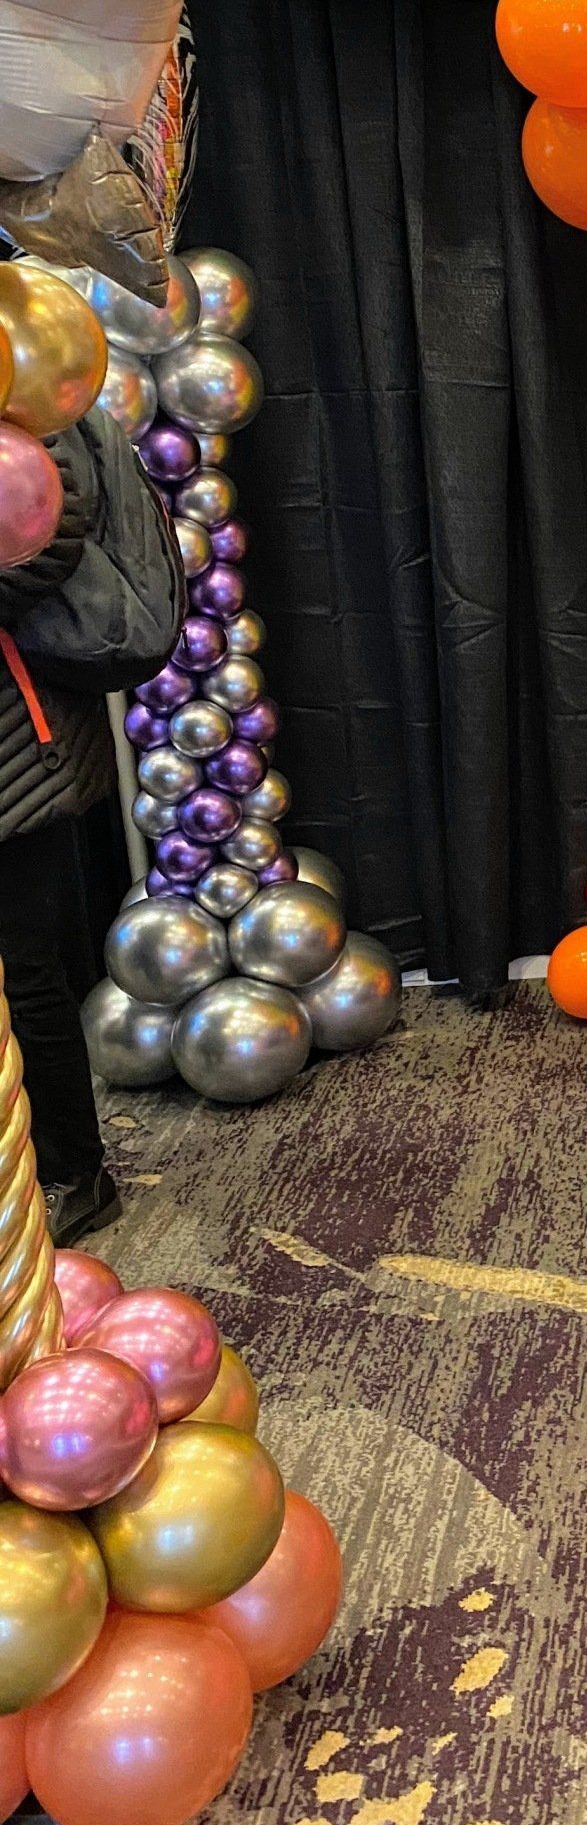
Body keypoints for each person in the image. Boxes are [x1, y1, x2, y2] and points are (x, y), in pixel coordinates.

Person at [0, 399, 183, 1240]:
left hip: (18, 753)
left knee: (28, 975)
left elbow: (45, 533)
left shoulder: (27, 396)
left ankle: (77, 1173)